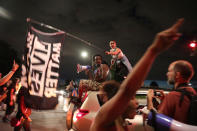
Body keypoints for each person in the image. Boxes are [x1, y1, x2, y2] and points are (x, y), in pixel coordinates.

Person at [90, 18, 184, 131]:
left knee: (129, 68)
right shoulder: (105, 118)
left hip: (122, 60)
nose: (137, 102)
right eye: (132, 98)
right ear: (118, 101)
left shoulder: (121, 123)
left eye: (133, 97)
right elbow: (126, 91)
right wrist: (153, 50)